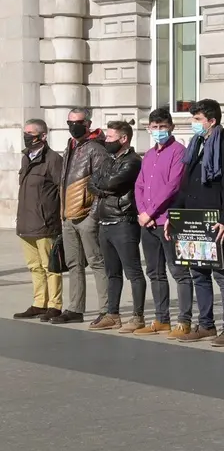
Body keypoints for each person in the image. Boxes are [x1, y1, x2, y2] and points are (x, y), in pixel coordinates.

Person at [169, 99, 224, 345]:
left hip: (214, 222)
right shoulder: (196, 145)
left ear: (212, 121)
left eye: (197, 120)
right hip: (193, 220)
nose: (193, 124)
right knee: (198, 273)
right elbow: (184, 185)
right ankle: (206, 325)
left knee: (222, 275)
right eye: (193, 119)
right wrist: (174, 215)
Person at [133, 108, 190, 336]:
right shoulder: (147, 155)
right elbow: (140, 185)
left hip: (167, 220)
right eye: (154, 127)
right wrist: (142, 211)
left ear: (172, 127)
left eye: (163, 127)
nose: (158, 131)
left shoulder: (179, 152)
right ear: (148, 128)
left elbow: (172, 186)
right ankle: (161, 318)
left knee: (179, 272)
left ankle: (184, 320)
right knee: (155, 272)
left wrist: (152, 211)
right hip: (147, 222)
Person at [89, 121, 146, 331]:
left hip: (124, 221)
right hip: (105, 220)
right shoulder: (108, 160)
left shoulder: (132, 161)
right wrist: (103, 188)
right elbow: (92, 181)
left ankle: (138, 317)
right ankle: (112, 314)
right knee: (112, 272)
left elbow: (112, 183)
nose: (106, 141)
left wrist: (102, 187)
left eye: (111, 137)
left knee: (133, 272)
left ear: (124, 139)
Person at [56, 106, 110, 324]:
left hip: (87, 215)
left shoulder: (96, 149)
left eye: (77, 122)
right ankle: (75, 308)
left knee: (96, 262)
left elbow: (102, 184)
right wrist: (62, 212)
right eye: (70, 123)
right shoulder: (70, 146)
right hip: (68, 214)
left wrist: (94, 215)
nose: (73, 127)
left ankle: (107, 309)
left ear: (87, 124)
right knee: (73, 263)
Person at [15, 119, 63, 322]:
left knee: (50, 267)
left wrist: (58, 217)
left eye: (31, 133)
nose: (27, 137)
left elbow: (62, 189)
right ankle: (39, 303)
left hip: (45, 224)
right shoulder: (26, 158)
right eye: (25, 133)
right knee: (34, 266)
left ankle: (54, 305)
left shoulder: (53, 159)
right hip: (26, 222)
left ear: (43, 136)